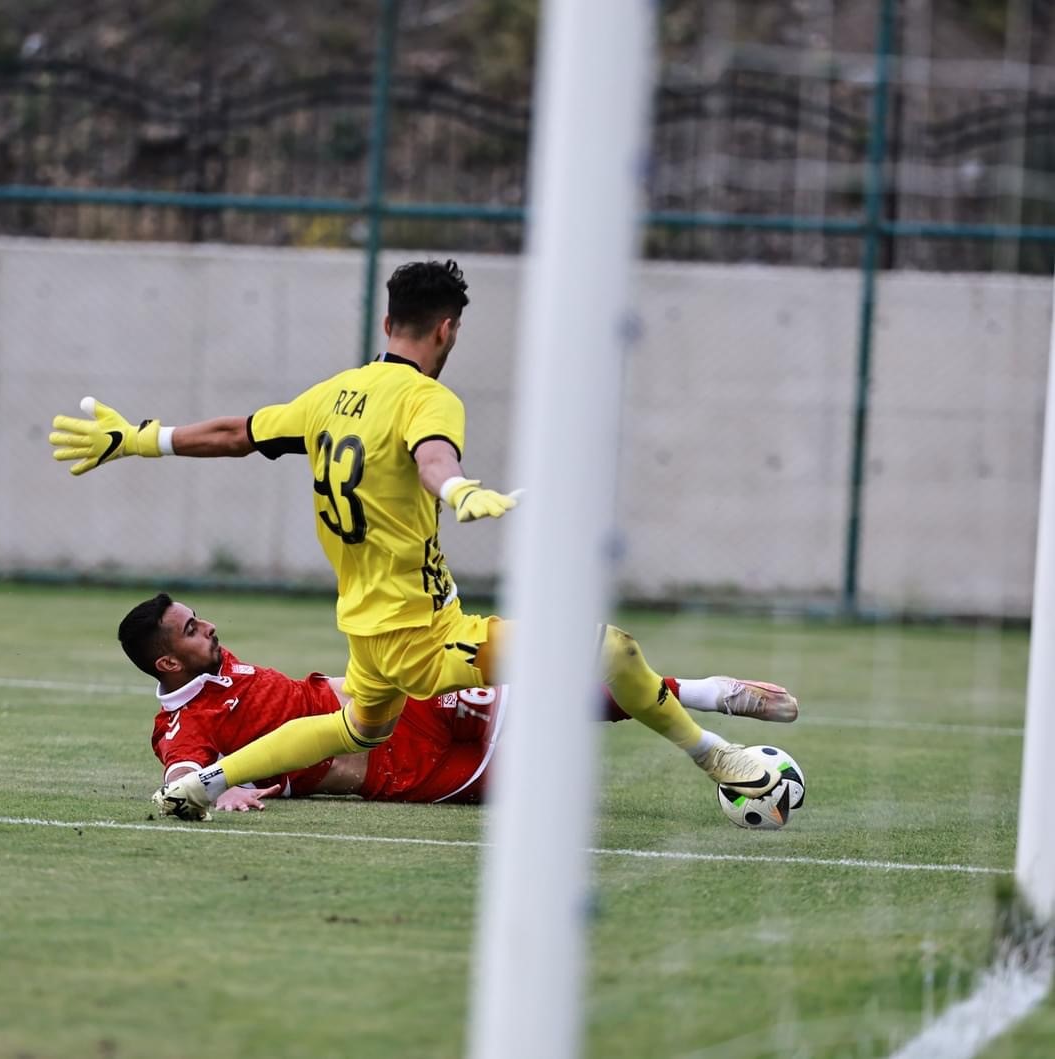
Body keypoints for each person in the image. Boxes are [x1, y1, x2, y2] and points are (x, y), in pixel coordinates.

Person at [52, 259, 781, 820]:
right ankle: (720, 759)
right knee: (608, 648)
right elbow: (434, 457)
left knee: (357, 728)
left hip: (365, 629)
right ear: (446, 331)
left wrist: (143, 438)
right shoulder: (429, 397)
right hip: (420, 633)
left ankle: (210, 783)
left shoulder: (329, 395)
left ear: (386, 324)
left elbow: (237, 433)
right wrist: (458, 489)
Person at [118, 593, 799, 819]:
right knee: (556, 793)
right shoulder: (182, 721)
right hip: (397, 776)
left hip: (396, 708)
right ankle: (694, 705)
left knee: (546, 699)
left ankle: (706, 693)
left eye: (197, 618)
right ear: (168, 661)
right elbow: (178, 771)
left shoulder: (215, 663)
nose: (206, 627)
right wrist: (220, 787)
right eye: (190, 629)